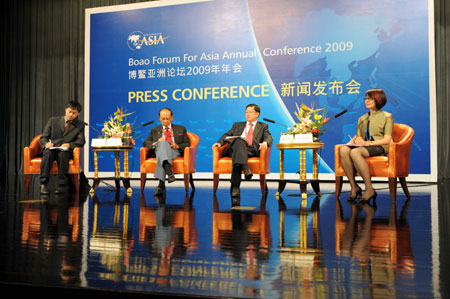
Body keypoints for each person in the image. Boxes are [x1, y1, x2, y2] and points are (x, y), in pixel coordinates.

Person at [340, 88, 394, 202]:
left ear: (379, 100)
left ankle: (369, 189)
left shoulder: (387, 116)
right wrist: (356, 141)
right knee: (344, 150)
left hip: (380, 146)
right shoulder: (362, 118)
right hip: (366, 146)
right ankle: (354, 186)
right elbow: (359, 137)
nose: (366, 101)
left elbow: (387, 140)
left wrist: (368, 143)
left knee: (355, 152)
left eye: (370, 99)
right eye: (366, 99)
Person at [212, 103, 273, 197]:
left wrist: (265, 142)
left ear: (257, 114)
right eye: (246, 112)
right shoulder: (237, 125)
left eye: (250, 112)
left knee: (237, 161)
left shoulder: (263, 126)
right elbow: (227, 134)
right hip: (234, 149)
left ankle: (235, 187)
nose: (247, 114)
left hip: (251, 150)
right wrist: (219, 143)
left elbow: (268, 136)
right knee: (239, 140)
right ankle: (245, 169)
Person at [40, 101, 85, 194]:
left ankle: (62, 185)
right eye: (69, 111)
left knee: (63, 155)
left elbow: (81, 141)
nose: (71, 114)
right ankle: (43, 184)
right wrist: (46, 144)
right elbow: (43, 137)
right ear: (65, 110)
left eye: (74, 113)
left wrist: (70, 145)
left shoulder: (80, 125)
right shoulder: (53, 120)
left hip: (65, 150)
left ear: (78, 113)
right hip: (52, 148)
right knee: (48, 153)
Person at [144, 108, 190, 196]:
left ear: (172, 117)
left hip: (174, 151)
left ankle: (161, 185)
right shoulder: (154, 130)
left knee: (162, 154)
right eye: (163, 119)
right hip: (159, 150)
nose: (165, 121)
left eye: (167, 119)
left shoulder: (181, 129)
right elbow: (146, 142)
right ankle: (169, 171)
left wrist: (178, 146)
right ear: (159, 118)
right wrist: (157, 142)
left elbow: (187, 143)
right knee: (162, 144)